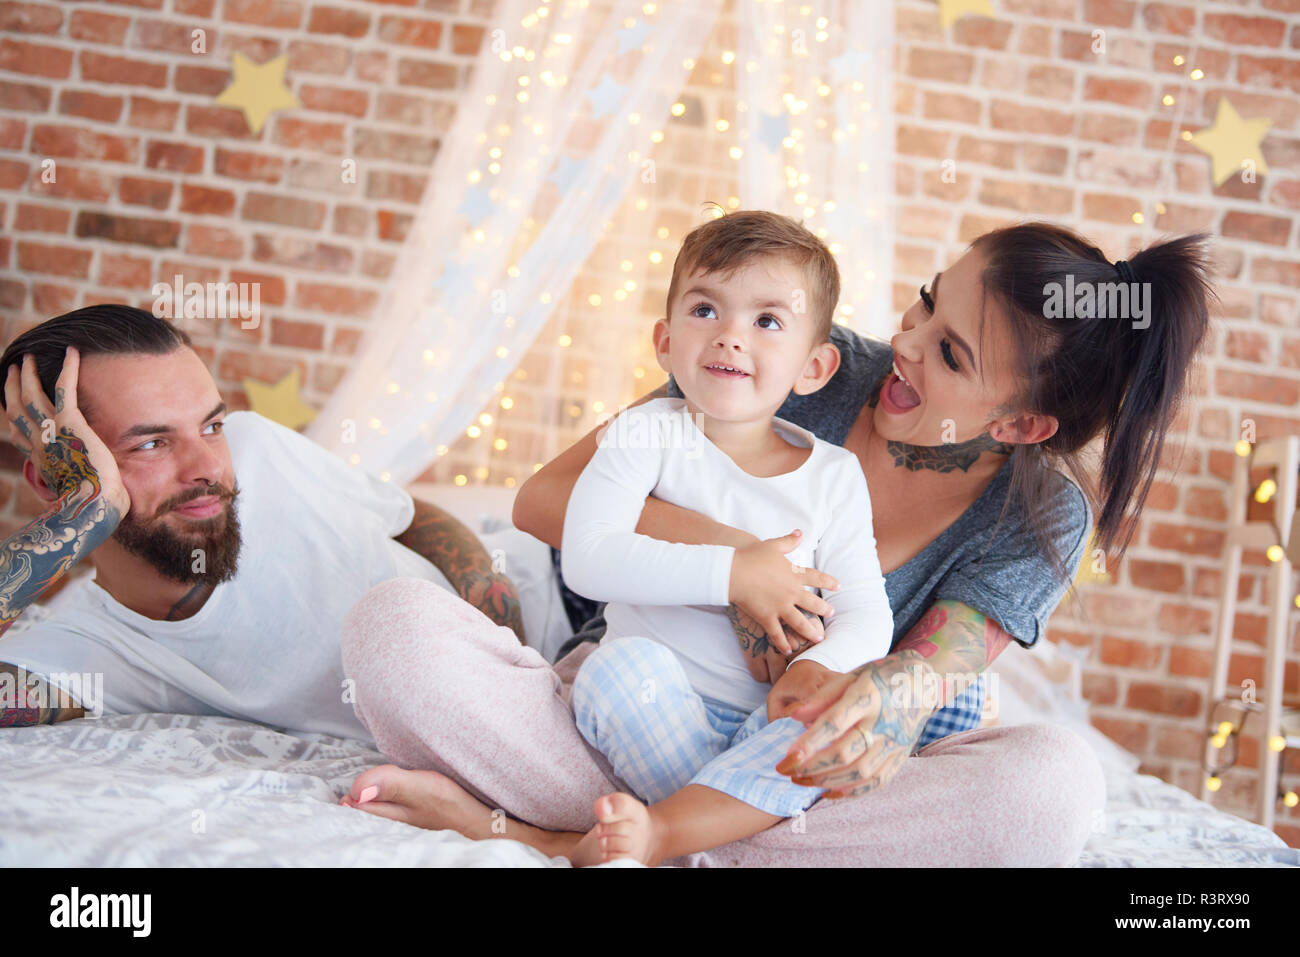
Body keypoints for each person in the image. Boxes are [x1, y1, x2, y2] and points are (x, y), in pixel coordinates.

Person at [340, 220, 1213, 867]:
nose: (904, 343)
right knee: (394, 629)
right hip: (625, 711)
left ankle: (574, 838)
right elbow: (548, 499)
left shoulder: (1041, 517)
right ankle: (687, 834)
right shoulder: (795, 355)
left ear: (1020, 422)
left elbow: (924, 674)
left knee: (1056, 787)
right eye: (925, 298)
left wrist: (869, 697)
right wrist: (740, 568)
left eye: (948, 353)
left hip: (794, 757)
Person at [0, 305, 529, 737]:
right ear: (53, 483)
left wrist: (494, 615)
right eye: (152, 443)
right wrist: (88, 507)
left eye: (211, 427)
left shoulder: (256, 445)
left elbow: (411, 516)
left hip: (561, 588)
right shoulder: (95, 650)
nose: (209, 468)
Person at [557, 211, 894, 865]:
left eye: (767, 321)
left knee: (840, 723)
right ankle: (727, 838)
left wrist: (814, 671)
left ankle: (668, 831)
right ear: (664, 339)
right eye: (706, 309)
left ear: (815, 365)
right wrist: (733, 571)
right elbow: (587, 556)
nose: (730, 337)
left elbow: (865, 610)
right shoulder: (644, 433)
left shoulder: (834, 475)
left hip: (759, 723)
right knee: (616, 671)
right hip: (650, 704)